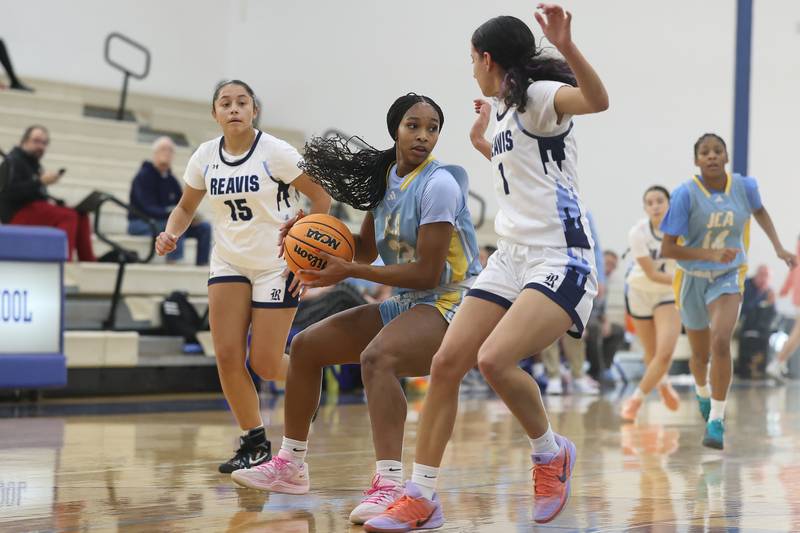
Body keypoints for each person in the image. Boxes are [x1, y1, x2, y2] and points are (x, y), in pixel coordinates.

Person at [364, 5, 609, 531]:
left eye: (472, 58)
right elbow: (519, 169)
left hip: (560, 255)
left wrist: (567, 45)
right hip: (511, 256)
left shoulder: (541, 97)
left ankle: (550, 453)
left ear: (487, 58)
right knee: (448, 362)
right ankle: (421, 496)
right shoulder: (501, 110)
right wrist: (483, 141)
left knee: (494, 360)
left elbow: (597, 101)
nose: (470, 67)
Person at [230, 93, 482, 526]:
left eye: (432, 128)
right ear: (395, 129)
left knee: (377, 358)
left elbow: (427, 273)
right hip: (413, 300)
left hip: (456, 300)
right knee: (306, 346)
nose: (423, 136)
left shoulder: (439, 184)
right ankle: (290, 465)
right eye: (413, 126)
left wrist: (349, 270)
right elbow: (364, 248)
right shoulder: (386, 179)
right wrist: (313, 234)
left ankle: (391, 484)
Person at [155, 80, 330, 473]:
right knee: (228, 356)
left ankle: (307, 378)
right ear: (215, 113)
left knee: (265, 363)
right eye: (225, 103)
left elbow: (321, 197)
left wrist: (308, 252)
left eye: (241, 102)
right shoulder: (204, 156)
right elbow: (185, 207)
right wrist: (171, 233)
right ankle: (254, 443)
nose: (233, 108)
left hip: (276, 264)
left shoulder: (276, 152)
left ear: (254, 111)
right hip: (229, 263)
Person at [660, 133, 796, 450]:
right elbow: (668, 249)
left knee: (721, 340)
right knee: (700, 355)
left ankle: (717, 420)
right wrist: (708, 254)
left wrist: (778, 247)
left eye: (717, 151)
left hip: (728, 275)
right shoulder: (685, 194)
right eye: (705, 152)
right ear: (696, 160)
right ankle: (702, 392)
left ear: (726, 157)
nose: (711, 156)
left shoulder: (744, 187)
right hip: (692, 277)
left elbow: (760, 211)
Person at [619, 186, 681, 422]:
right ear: (645, 208)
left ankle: (635, 400)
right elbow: (652, 274)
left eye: (660, 201)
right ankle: (663, 383)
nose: (655, 206)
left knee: (664, 354)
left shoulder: (682, 230)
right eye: (650, 202)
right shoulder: (638, 232)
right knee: (651, 352)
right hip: (640, 291)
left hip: (667, 294)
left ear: (669, 204)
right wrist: (687, 280)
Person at [0, 125, 95, 261]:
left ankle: (89, 260)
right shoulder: (13, 161)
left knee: (81, 215)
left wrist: (56, 201)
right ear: (24, 141)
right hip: (17, 214)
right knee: (68, 216)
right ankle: (64, 263)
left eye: (44, 143)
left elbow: (35, 193)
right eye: (36, 141)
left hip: (32, 210)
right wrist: (40, 182)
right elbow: (8, 192)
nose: (41, 146)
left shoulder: (33, 163)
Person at [129, 136, 211, 265]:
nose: (167, 153)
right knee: (175, 226)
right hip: (141, 222)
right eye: (163, 149)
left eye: (170, 150)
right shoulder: (143, 176)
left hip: (162, 221)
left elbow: (183, 205)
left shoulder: (171, 180)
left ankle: (202, 265)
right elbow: (147, 208)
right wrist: (171, 213)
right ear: (155, 153)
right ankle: (173, 263)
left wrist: (193, 217)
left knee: (204, 227)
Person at [768, 238, 800, 379]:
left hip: (797, 301)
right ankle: (777, 362)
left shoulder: (796, 260)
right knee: (797, 335)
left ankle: (779, 362)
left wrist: (780, 293)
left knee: (797, 335)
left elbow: (789, 280)